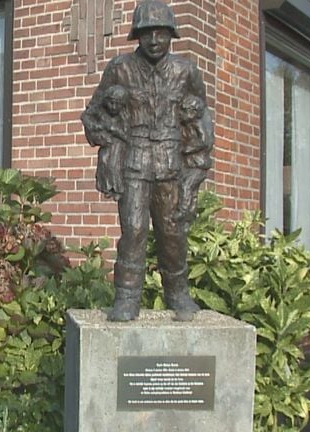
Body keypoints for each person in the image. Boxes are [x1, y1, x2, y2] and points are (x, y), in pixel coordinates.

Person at [81, 0, 212, 321]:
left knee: (172, 231)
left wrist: (196, 168)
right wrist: (111, 141)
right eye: (146, 33)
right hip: (134, 165)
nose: (154, 40)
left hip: (171, 167)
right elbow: (92, 115)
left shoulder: (186, 72)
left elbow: (201, 121)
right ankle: (127, 297)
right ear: (137, 35)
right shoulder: (119, 68)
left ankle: (178, 294)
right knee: (135, 229)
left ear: (171, 35)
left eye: (161, 33)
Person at [82, 85, 128, 201]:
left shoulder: (124, 116)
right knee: (104, 160)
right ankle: (107, 186)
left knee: (115, 165)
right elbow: (85, 116)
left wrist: (114, 130)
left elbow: (126, 135)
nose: (113, 107)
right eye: (111, 103)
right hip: (107, 145)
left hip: (118, 147)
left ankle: (116, 188)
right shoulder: (100, 110)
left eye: (118, 104)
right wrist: (96, 126)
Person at [175, 94, 214, 223]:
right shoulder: (186, 126)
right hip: (191, 163)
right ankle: (191, 212)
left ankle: (183, 211)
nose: (181, 114)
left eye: (185, 111)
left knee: (186, 185)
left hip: (199, 164)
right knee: (193, 190)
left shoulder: (198, 124)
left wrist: (187, 148)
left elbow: (205, 141)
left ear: (193, 112)